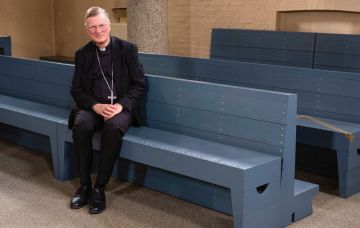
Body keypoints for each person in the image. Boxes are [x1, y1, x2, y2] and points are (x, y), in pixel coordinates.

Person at [68, 6, 145, 214]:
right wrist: (96, 106)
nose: (98, 30)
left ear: (109, 26)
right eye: (93, 27)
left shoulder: (128, 49)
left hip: (120, 108)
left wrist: (120, 105)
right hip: (94, 107)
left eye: (102, 25)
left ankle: (99, 188)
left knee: (113, 128)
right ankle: (84, 185)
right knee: (80, 125)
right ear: (87, 29)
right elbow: (76, 89)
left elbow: (139, 84)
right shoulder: (82, 54)